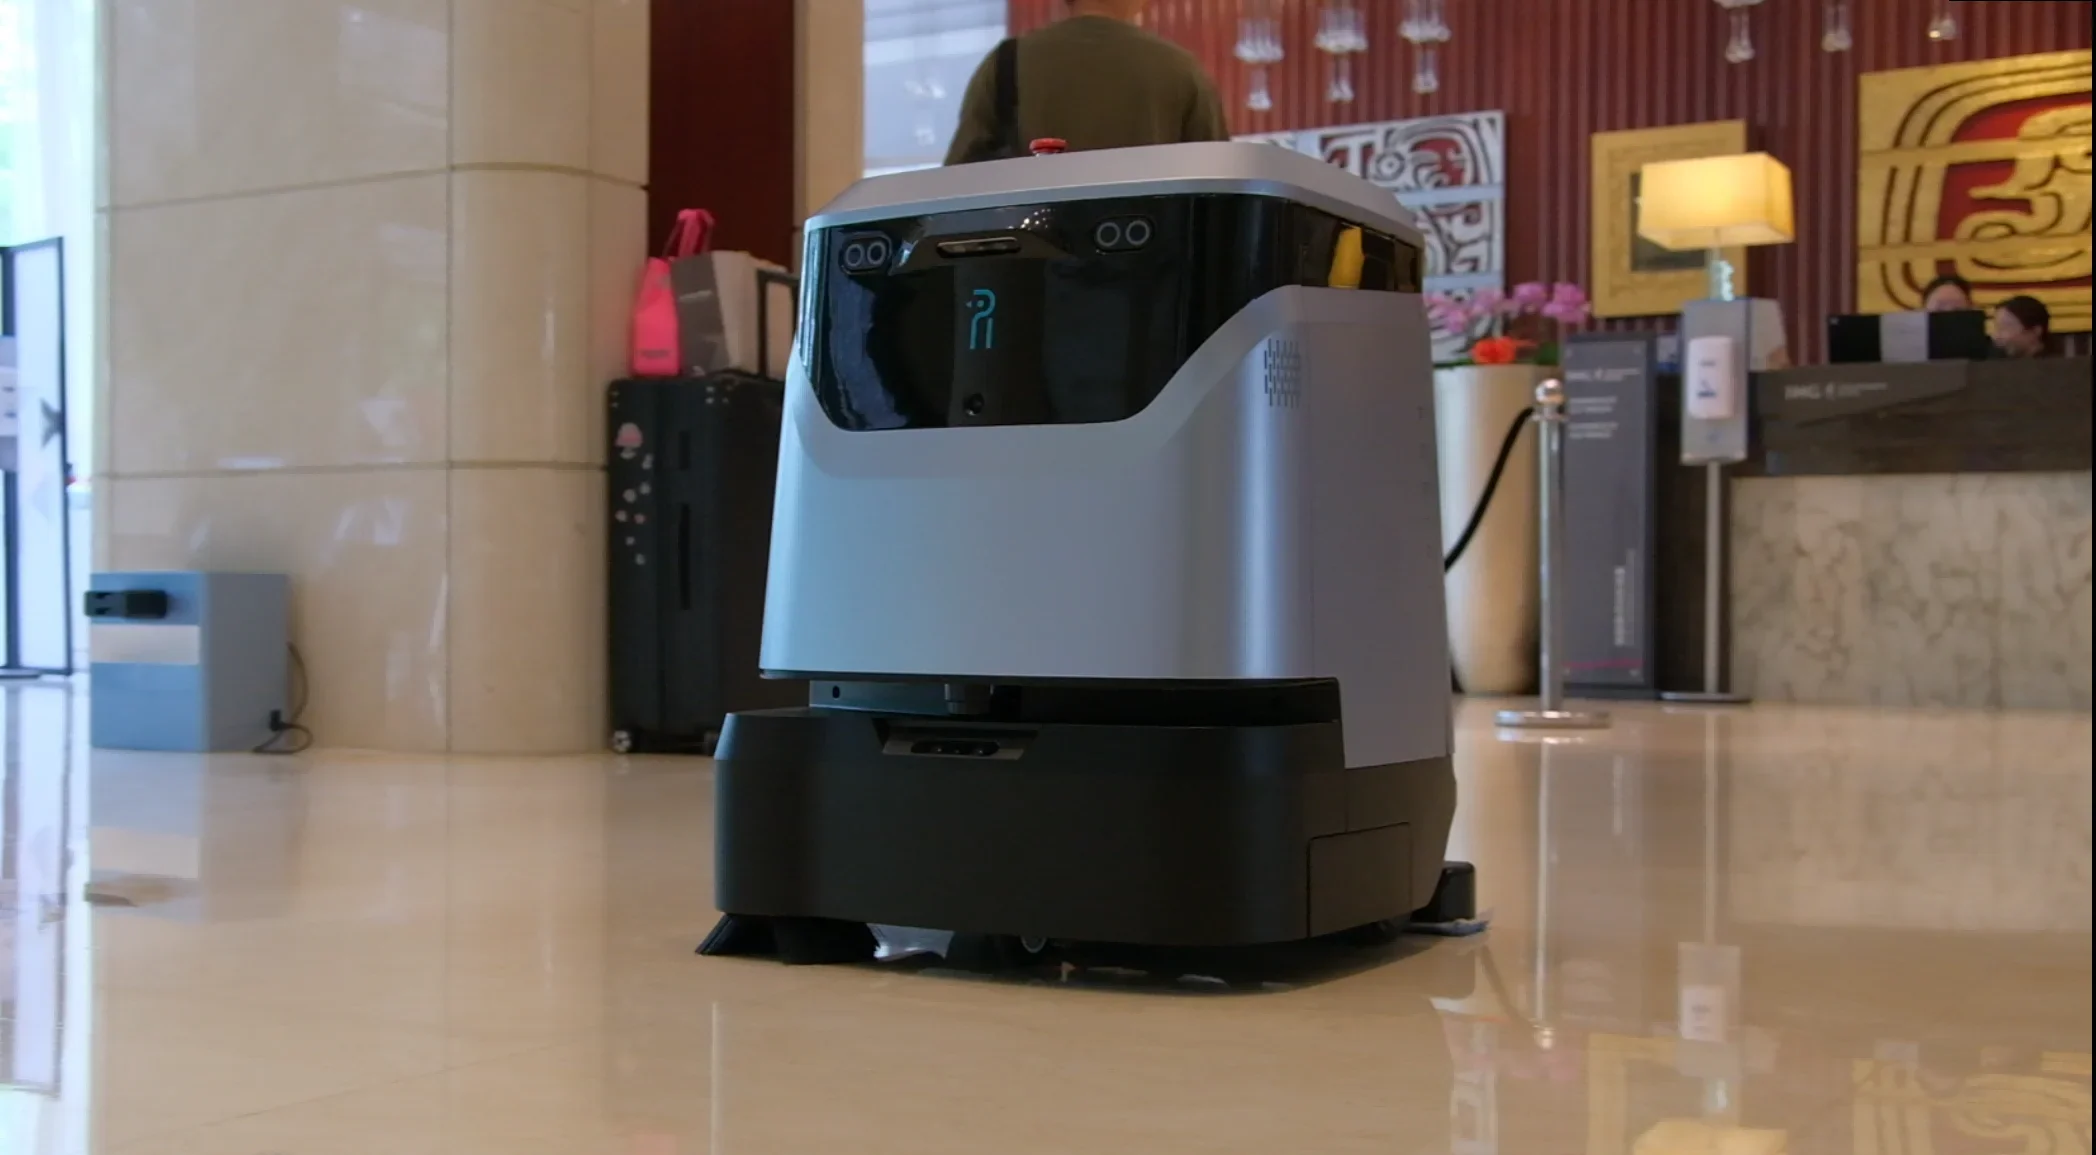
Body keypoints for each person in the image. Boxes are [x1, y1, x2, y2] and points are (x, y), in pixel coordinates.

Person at [944, 0, 1230, 165]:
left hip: (1028, 250)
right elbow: (1221, 184)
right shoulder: (1182, 70)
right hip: (1152, 249)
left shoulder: (1006, 63)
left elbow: (957, 183)